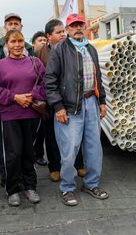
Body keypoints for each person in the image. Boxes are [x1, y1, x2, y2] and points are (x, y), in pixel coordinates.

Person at [45, 14, 108, 206]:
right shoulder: (59, 50)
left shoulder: (91, 49)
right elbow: (50, 81)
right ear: (68, 29)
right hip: (70, 106)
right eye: (73, 25)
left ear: (86, 26)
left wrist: (102, 101)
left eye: (80, 24)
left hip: (91, 102)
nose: (78, 28)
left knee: (94, 147)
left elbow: (97, 78)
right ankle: (67, 187)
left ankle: (91, 184)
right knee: (70, 149)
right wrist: (58, 106)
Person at [0, 30, 45, 206]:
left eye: (20, 41)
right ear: (7, 44)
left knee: (29, 151)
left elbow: (46, 83)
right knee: (13, 153)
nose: (17, 45)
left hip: (31, 113)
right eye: (13, 41)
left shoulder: (35, 62)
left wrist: (31, 95)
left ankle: (30, 186)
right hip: (10, 115)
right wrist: (15, 97)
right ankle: (12, 189)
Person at [0, 12, 33, 188]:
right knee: (9, 148)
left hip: (28, 107)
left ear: (21, 27)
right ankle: (10, 182)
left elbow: (37, 78)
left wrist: (30, 97)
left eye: (16, 23)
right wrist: (10, 98)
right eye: (9, 23)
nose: (13, 26)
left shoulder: (29, 48)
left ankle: (27, 182)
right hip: (6, 107)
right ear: (5, 27)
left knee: (27, 148)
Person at [35, 19, 85, 182]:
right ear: (49, 36)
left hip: (71, 99)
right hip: (51, 100)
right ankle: (55, 167)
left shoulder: (72, 47)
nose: (63, 34)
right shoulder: (41, 52)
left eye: (64, 31)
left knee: (75, 135)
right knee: (52, 136)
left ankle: (78, 165)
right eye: (59, 32)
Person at [31, 30, 48, 167]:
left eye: (44, 40)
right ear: (33, 44)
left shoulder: (50, 55)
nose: (43, 43)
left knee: (43, 129)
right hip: (31, 99)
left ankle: (40, 154)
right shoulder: (30, 59)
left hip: (46, 97)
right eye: (40, 41)